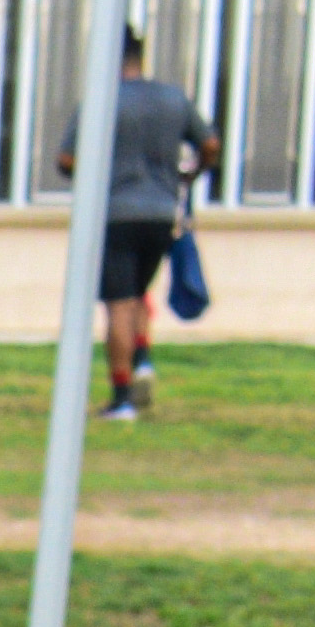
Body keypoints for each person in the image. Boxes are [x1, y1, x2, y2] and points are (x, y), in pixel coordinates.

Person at [80, 26, 217, 426]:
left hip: (116, 213)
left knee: (119, 303)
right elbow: (209, 145)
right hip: (161, 213)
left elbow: (67, 159)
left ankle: (122, 397)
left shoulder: (103, 101)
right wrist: (189, 177)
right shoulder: (173, 98)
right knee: (140, 290)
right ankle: (142, 360)